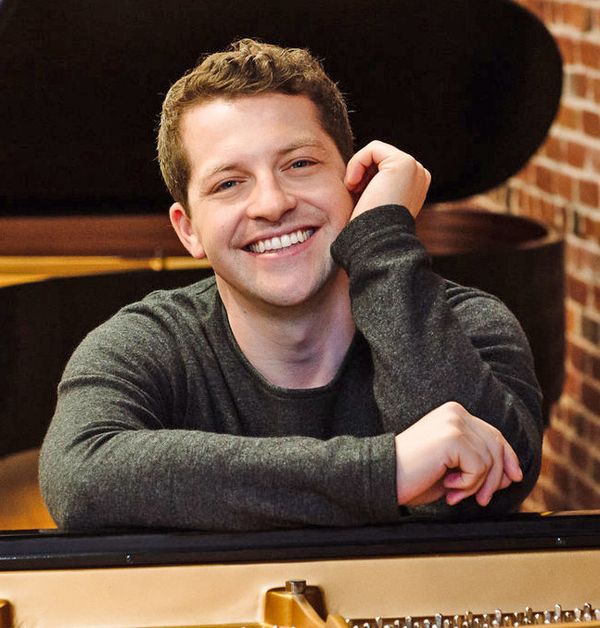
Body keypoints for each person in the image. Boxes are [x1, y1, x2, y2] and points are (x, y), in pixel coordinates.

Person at [39, 39, 543, 531]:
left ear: (355, 185)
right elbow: (79, 477)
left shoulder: (470, 323)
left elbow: (484, 491)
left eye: (299, 164)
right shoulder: (143, 344)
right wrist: (385, 472)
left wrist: (382, 238)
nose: (272, 203)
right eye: (229, 183)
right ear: (188, 230)